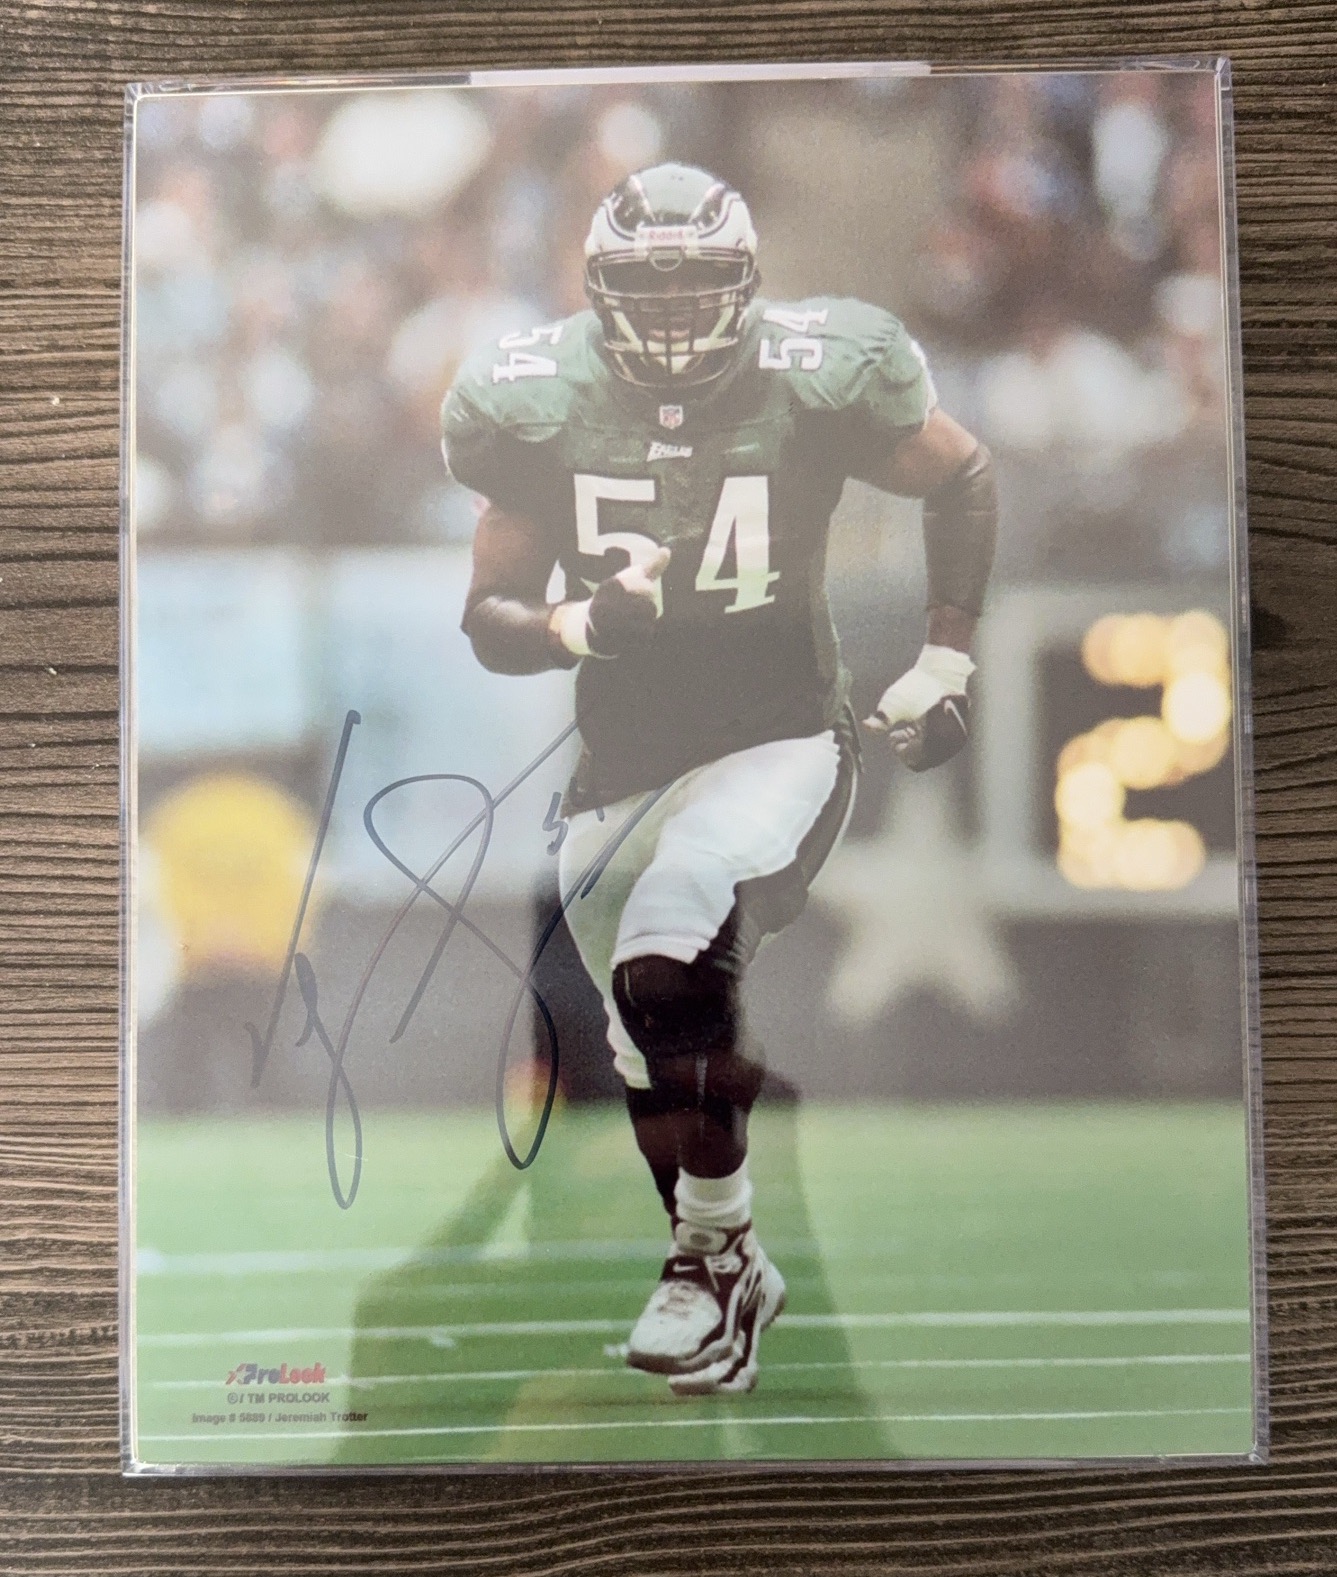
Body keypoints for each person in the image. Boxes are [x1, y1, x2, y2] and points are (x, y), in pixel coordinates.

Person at [441, 162, 996, 1395]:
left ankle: (700, 1262)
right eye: (647, 283)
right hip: (619, 767)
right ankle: (729, 1256)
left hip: (778, 733)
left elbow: (959, 471)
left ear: (743, 280)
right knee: (644, 1039)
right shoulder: (531, 399)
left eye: (695, 280)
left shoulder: (817, 371)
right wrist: (581, 624)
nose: (674, 307)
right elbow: (487, 614)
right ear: (600, 287)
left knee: (665, 942)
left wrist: (945, 655)